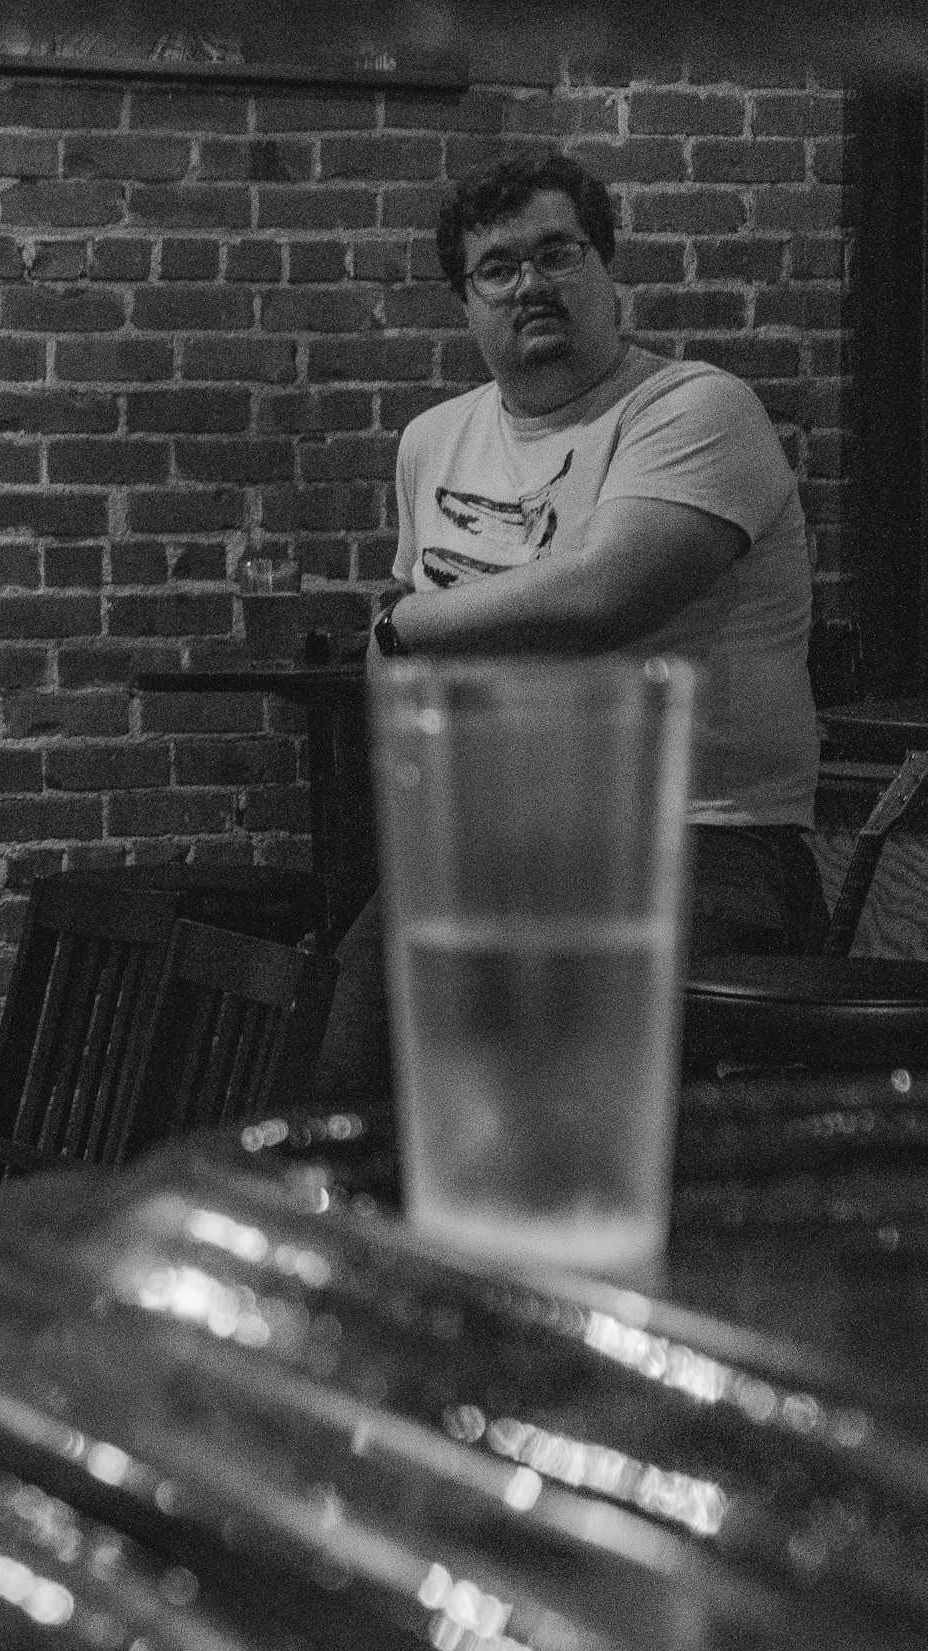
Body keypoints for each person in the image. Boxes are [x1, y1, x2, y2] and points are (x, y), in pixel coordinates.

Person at [314, 150, 824, 1099]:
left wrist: (409, 621)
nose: (530, 285)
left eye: (558, 254)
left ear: (607, 268)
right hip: (500, 836)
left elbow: (602, 597)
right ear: (466, 302)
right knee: (349, 1064)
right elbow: (409, 678)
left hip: (703, 839)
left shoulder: (694, 407)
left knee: (563, 1098)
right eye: (498, 268)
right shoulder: (433, 442)